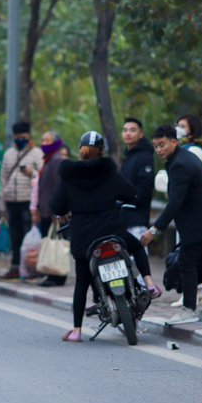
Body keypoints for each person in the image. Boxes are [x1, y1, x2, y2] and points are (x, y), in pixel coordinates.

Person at [50, 131, 160, 343]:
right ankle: (149, 284)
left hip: (83, 238)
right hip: (112, 231)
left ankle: (76, 331)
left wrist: (65, 211)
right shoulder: (110, 173)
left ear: (81, 150)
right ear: (101, 150)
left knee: (81, 282)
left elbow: (55, 205)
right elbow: (131, 193)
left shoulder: (68, 176)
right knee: (136, 247)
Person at [142, 125, 202, 325]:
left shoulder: (179, 164)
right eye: (156, 146)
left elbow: (175, 202)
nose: (159, 149)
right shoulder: (181, 157)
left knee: (187, 262)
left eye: (162, 144)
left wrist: (154, 230)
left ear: (174, 142)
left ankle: (189, 309)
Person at [0, 121, 44, 281]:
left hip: (27, 202)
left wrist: (31, 173)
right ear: (13, 136)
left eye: (24, 137)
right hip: (11, 202)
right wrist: (1, 205)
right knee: (14, 237)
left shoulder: (37, 153)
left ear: (29, 136)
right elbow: (2, 181)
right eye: (17, 137)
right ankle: (15, 268)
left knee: (28, 237)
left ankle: (31, 269)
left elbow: (41, 175)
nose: (20, 139)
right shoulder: (8, 154)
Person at [31, 130, 66, 287]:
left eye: (47, 141)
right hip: (45, 211)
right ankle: (50, 274)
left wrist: (57, 211)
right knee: (48, 242)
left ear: (56, 143)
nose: (43, 143)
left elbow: (59, 187)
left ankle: (58, 276)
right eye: (42, 140)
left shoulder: (57, 160)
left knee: (56, 244)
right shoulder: (48, 160)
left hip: (54, 212)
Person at [119, 117, 155, 240]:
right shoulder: (128, 156)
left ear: (141, 135)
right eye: (125, 130)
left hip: (137, 220)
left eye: (132, 130)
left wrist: (124, 202)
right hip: (124, 219)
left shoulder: (145, 156)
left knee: (138, 257)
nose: (128, 133)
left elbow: (144, 190)